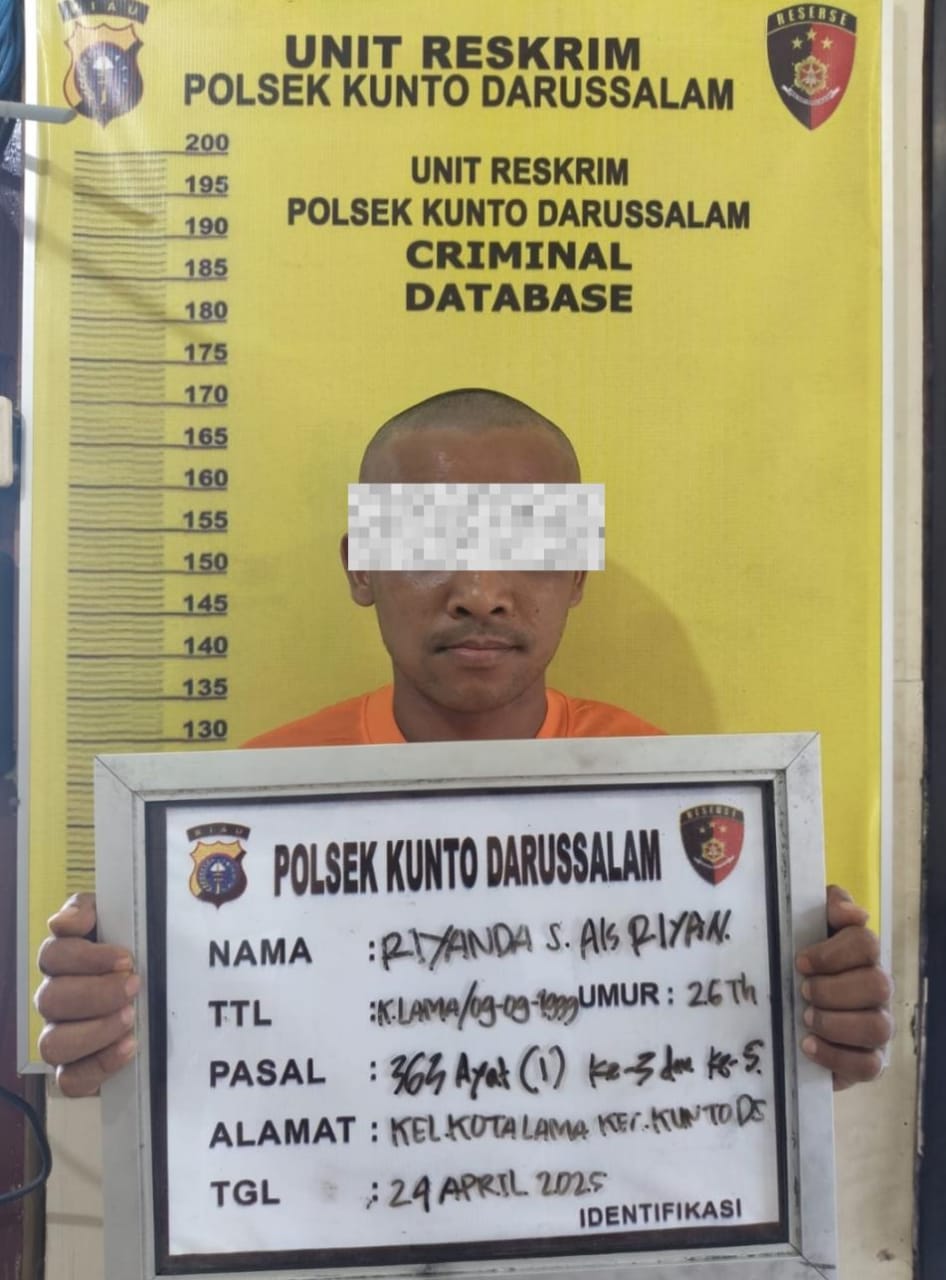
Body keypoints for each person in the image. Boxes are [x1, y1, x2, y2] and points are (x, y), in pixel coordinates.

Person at [35, 388, 892, 1097]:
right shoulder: (243, 812)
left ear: (578, 571)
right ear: (360, 566)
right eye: (428, 543)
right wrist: (119, 1017)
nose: (480, 591)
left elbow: (721, 1058)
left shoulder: (680, 805)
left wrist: (815, 1025)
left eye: (527, 544)